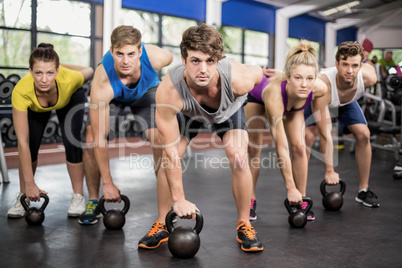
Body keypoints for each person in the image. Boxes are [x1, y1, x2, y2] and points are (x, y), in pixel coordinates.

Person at [152, 23, 264, 252]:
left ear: (218, 60)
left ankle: (244, 223)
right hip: (189, 111)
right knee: (168, 157)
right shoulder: (169, 90)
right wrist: (179, 199)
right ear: (183, 60)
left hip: (228, 111)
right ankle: (162, 223)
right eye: (195, 61)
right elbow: (171, 151)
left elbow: (258, 72)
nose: (203, 69)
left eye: (210, 61)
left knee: (239, 157)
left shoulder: (238, 79)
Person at [79, 25, 173, 228]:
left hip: (147, 91)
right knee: (89, 138)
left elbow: (172, 59)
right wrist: (109, 183)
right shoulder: (102, 79)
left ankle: (167, 205)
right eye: (119, 54)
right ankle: (94, 201)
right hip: (114, 97)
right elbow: (99, 139)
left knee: (160, 138)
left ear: (140, 51)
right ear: (111, 51)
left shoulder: (156, 57)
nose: (125, 61)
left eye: (131, 54)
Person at [7, 43, 94, 218]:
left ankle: (78, 196)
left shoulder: (70, 78)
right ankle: (24, 195)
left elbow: (90, 71)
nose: (44, 79)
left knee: (72, 142)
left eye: (49, 72)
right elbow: (22, 142)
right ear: (30, 71)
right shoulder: (21, 92)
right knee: (30, 144)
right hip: (36, 107)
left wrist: (63, 66)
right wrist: (30, 183)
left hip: (70, 98)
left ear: (57, 71)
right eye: (38, 73)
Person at [245, 40, 327, 221]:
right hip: (258, 98)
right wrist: (289, 187)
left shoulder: (319, 88)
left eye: (309, 78)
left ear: (315, 78)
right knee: (254, 149)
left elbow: (323, 114)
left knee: (299, 147)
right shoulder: (274, 93)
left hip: (293, 104)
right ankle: (249, 199)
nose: (305, 84)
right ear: (288, 77)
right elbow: (280, 146)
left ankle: (301, 198)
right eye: (298, 78)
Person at [304, 41, 379, 208]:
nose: (350, 71)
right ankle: (301, 197)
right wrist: (329, 171)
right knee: (308, 138)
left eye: (354, 65)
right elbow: (326, 133)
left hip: (345, 102)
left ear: (361, 65)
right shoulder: (323, 85)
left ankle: (363, 191)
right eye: (345, 64)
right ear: (337, 64)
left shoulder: (369, 77)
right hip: (323, 99)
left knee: (364, 134)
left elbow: (370, 70)